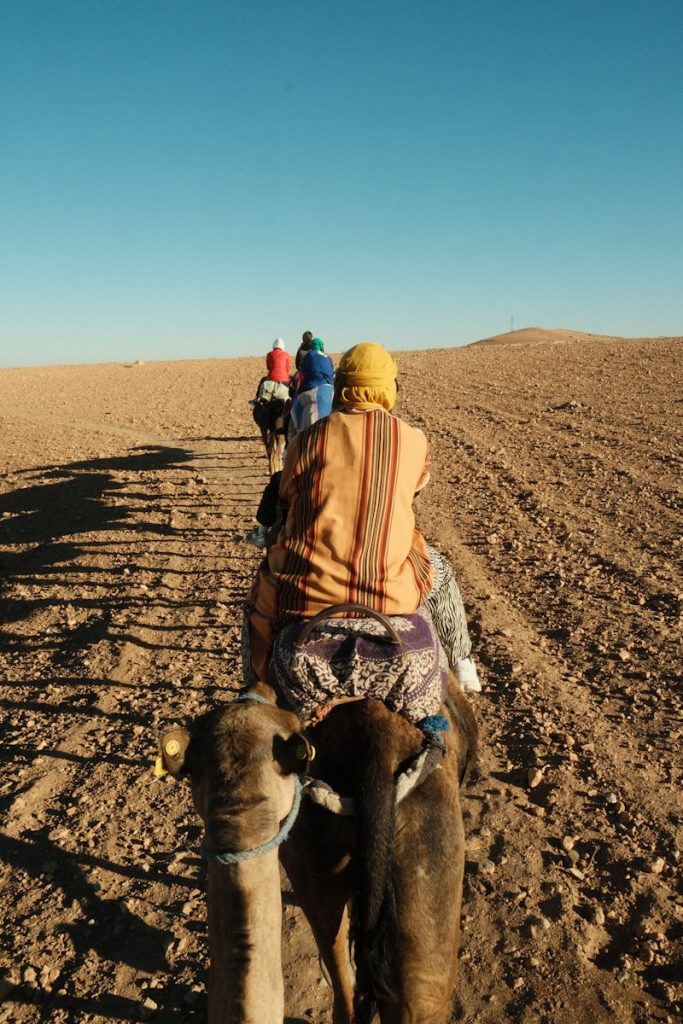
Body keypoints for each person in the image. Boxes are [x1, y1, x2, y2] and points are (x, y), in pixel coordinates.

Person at [243, 341, 480, 693]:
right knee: (441, 574)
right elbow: (415, 488)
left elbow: (287, 495)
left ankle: (253, 694)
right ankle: (463, 666)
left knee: (256, 603)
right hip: (391, 591)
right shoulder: (415, 440)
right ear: (388, 388)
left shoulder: (305, 442)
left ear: (341, 386)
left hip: (308, 593)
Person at [290, 337, 335, 433]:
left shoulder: (305, 355)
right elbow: (332, 376)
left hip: (307, 388)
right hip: (327, 389)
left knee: (293, 412)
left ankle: (292, 438)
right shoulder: (327, 358)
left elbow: (298, 367)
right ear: (321, 347)